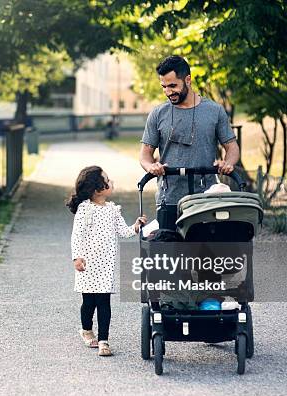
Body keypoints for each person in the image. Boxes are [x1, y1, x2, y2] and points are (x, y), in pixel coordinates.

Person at [139, 55, 240, 207]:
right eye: (164, 87)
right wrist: (151, 166)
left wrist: (228, 163)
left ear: (187, 80)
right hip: (169, 198)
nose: (168, 92)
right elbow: (145, 154)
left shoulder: (214, 110)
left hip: (206, 198)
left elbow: (232, 147)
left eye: (172, 86)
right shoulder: (158, 113)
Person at [66, 166, 146, 356]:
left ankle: (104, 340)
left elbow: (123, 232)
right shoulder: (85, 209)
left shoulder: (112, 210)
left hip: (105, 266)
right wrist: (77, 257)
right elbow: (77, 235)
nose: (111, 182)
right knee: (89, 303)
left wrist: (136, 226)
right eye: (107, 180)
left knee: (104, 302)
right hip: (87, 265)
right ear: (97, 188)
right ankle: (86, 329)